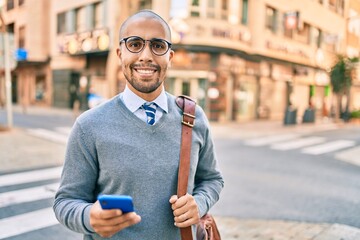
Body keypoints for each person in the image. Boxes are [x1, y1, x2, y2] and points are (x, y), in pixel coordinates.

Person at [53, 10, 224, 240]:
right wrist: (88, 217)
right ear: (119, 54)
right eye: (134, 44)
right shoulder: (89, 126)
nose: (146, 55)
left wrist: (200, 203)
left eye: (158, 45)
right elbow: (65, 202)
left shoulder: (193, 118)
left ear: (170, 57)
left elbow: (212, 179)